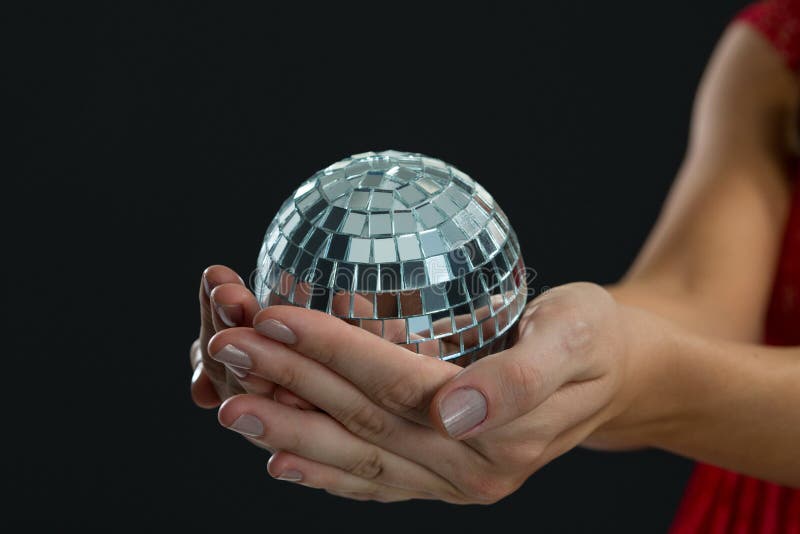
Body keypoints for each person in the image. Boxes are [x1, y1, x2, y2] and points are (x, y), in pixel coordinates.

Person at [189, 0, 800, 529]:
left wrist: (637, 375)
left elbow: (657, 364)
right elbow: (700, 304)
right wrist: (562, 359)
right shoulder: (775, 46)